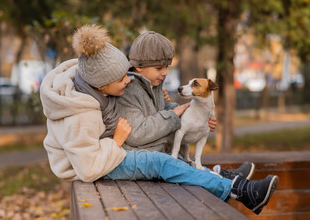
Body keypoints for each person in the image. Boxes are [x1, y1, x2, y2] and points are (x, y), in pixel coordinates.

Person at [40, 24, 278, 215]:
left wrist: (191, 117)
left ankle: (226, 178)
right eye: (123, 76)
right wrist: (117, 141)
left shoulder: (104, 89)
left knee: (170, 158)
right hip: (101, 163)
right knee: (163, 162)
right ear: (103, 84)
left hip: (110, 153)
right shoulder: (82, 114)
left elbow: (156, 113)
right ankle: (239, 190)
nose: (128, 79)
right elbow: (88, 167)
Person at [116, 31, 252, 178]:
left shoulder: (153, 85)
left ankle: (226, 176)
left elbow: (161, 110)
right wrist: (173, 116)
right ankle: (234, 186)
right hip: (142, 159)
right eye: (159, 68)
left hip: (157, 153)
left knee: (191, 165)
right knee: (190, 173)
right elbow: (136, 134)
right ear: (139, 67)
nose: (165, 73)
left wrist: (194, 116)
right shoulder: (128, 90)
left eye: (167, 67)